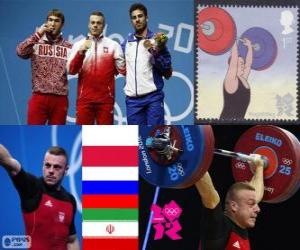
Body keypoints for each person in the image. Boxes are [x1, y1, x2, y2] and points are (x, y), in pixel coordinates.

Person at [0, 144, 80, 250]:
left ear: (66, 170)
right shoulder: (32, 188)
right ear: (43, 166)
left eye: (57, 167)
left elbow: (72, 240)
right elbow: (9, 163)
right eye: (47, 165)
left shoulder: (70, 200)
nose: (51, 170)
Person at [67, 11, 126, 125]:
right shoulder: (78, 45)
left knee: (104, 140)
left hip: (105, 101)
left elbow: (123, 70)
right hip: (84, 100)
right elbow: (71, 70)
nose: (95, 25)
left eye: (98, 23)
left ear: (103, 26)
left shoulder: (113, 46)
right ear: (89, 25)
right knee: (82, 136)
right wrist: (81, 53)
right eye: (93, 22)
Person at [196, 155, 265, 250]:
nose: (258, 209)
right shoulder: (219, 227)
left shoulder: (240, 225)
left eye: (254, 203)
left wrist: (260, 166)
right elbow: (209, 195)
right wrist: (195, 160)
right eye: (251, 204)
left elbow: (255, 194)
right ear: (234, 206)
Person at [16, 9, 72, 125]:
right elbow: (20, 52)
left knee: (56, 134)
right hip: (39, 96)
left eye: (56, 21)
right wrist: (38, 34)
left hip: (60, 99)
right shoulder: (36, 42)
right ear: (46, 22)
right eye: (50, 20)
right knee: (33, 134)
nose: (52, 24)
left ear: (62, 25)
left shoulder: (69, 46)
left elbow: (76, 68)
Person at [122, 3, 173, 125]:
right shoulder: (125, 43)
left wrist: (154, 51)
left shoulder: (157, 40)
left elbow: (167, 72)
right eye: (134, 18)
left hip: (153, 98)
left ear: (146, 18)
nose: (137, 20)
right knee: (136, 139)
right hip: (133, 101)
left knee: (154, 138)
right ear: (131, 21)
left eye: (140, 16)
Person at [220, 38, 253, 119]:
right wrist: (233, 39)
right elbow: (234, 57)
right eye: (241, 63)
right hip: (226, 122)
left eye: (243, 63)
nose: (243, 65)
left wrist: (249, 47)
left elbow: (248, 65)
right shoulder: (230, 81)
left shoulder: (243, 79)